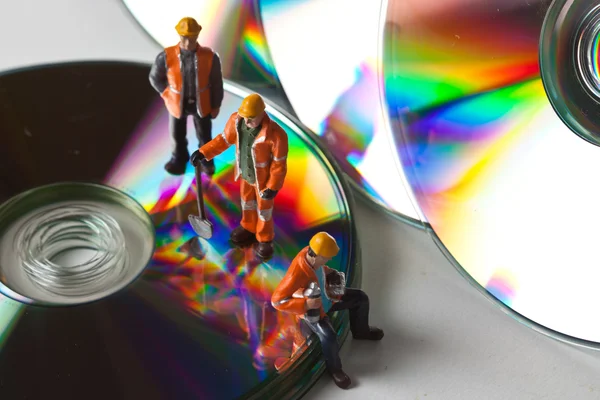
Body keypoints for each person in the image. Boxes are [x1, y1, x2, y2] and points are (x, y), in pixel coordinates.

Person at [270, 232, 384, 389]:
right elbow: (277, 301)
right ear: (317, 255)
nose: (329, 259)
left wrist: (328, 272)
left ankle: (361, 331)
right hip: (314, 312)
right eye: (327, 257)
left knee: (360, 298)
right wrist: (306, 305)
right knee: (329, 336)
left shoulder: (311, 256)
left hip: (328, 298)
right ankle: (335, 370)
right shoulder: (295, 274)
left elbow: (319, 270)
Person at [190, 93, 288, 259]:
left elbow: (279, 165)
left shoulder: (277, 135)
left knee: (264, 211)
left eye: (251, 118)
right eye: (245, 116)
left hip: (263, 182)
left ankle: (264, 239)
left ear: (262, 114)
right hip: (245, 175)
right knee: (247, 204)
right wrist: (203, 152)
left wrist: (273, 186)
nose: (247, 121)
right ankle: (248, 226)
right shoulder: (237, 121)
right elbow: (223, 140)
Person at [149, 17, 224, 176]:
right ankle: (179, 159)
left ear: (197, 35)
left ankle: (207, 161)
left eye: (192, 37)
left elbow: (217, 83)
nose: (189, 42)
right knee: (177, 135)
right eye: (185, 38)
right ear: (179, 36)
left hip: (201, 103)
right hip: (177, 104)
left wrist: (216, 104)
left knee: (205, 135)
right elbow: (155, 77)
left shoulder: (210, 57)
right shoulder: (166, 56)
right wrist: (167, 93)